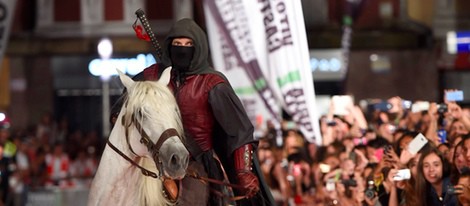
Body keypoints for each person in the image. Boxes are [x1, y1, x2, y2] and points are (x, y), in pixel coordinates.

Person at [114, 18, 274, 205]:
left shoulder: (212, 84)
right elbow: (129, 94)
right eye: (177, 44)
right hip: (155, 160)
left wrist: (243, 171)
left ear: (198, 47)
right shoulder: (153, 75)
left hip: (197, 164)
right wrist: (118, 114)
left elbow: (240, 132)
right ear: (170, 46)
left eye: (188, 44)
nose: (183, 49)